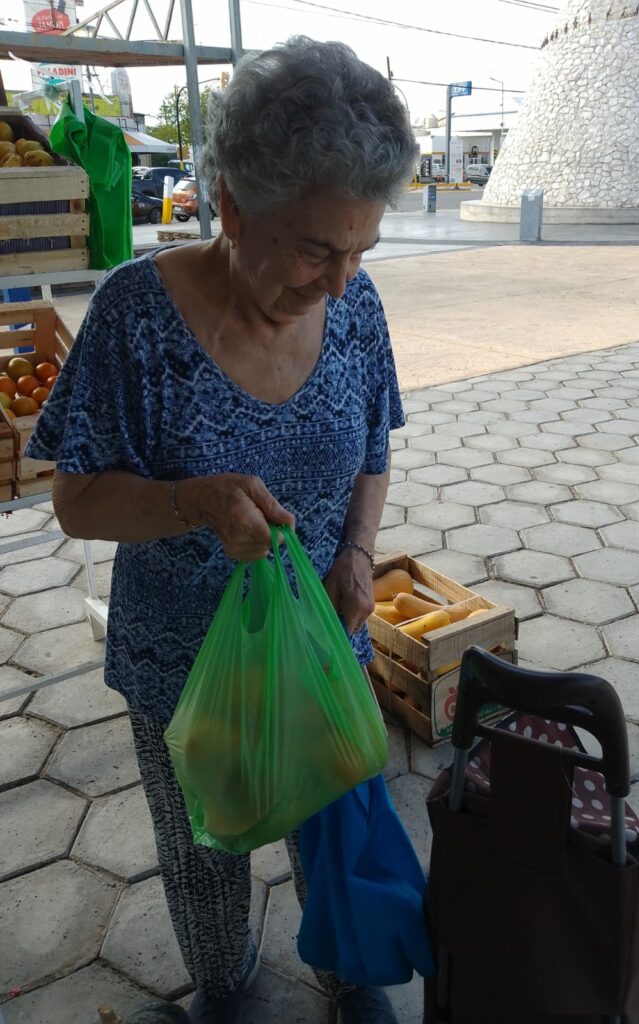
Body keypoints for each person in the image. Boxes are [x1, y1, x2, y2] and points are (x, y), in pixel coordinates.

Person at [28, 36, 418, 1024]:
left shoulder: (357, 306)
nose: (339, 282)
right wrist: (189, 502)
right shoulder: (134, 316)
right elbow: (75, 500)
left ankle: (346, 967)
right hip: (184, 670)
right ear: (233, 205)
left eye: (360, 250)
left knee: (332, 817)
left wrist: (360, 552)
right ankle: (224, 983)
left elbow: (373, 446)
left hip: (323, 639)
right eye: (315, 248)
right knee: (207, 846)